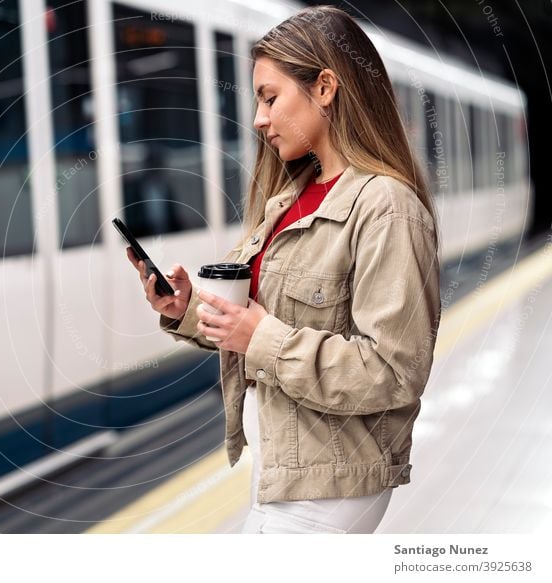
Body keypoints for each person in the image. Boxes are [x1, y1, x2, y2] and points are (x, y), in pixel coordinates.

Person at [126, 5, 440, 534]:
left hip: (332, 483)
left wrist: (261, 338)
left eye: (270, 97)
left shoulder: (385, 205)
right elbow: (268, 319)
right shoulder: (291, 197)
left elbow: (394, 372)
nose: (258, 119)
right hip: (283, 468)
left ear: (324, 87)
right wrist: (191, 310)